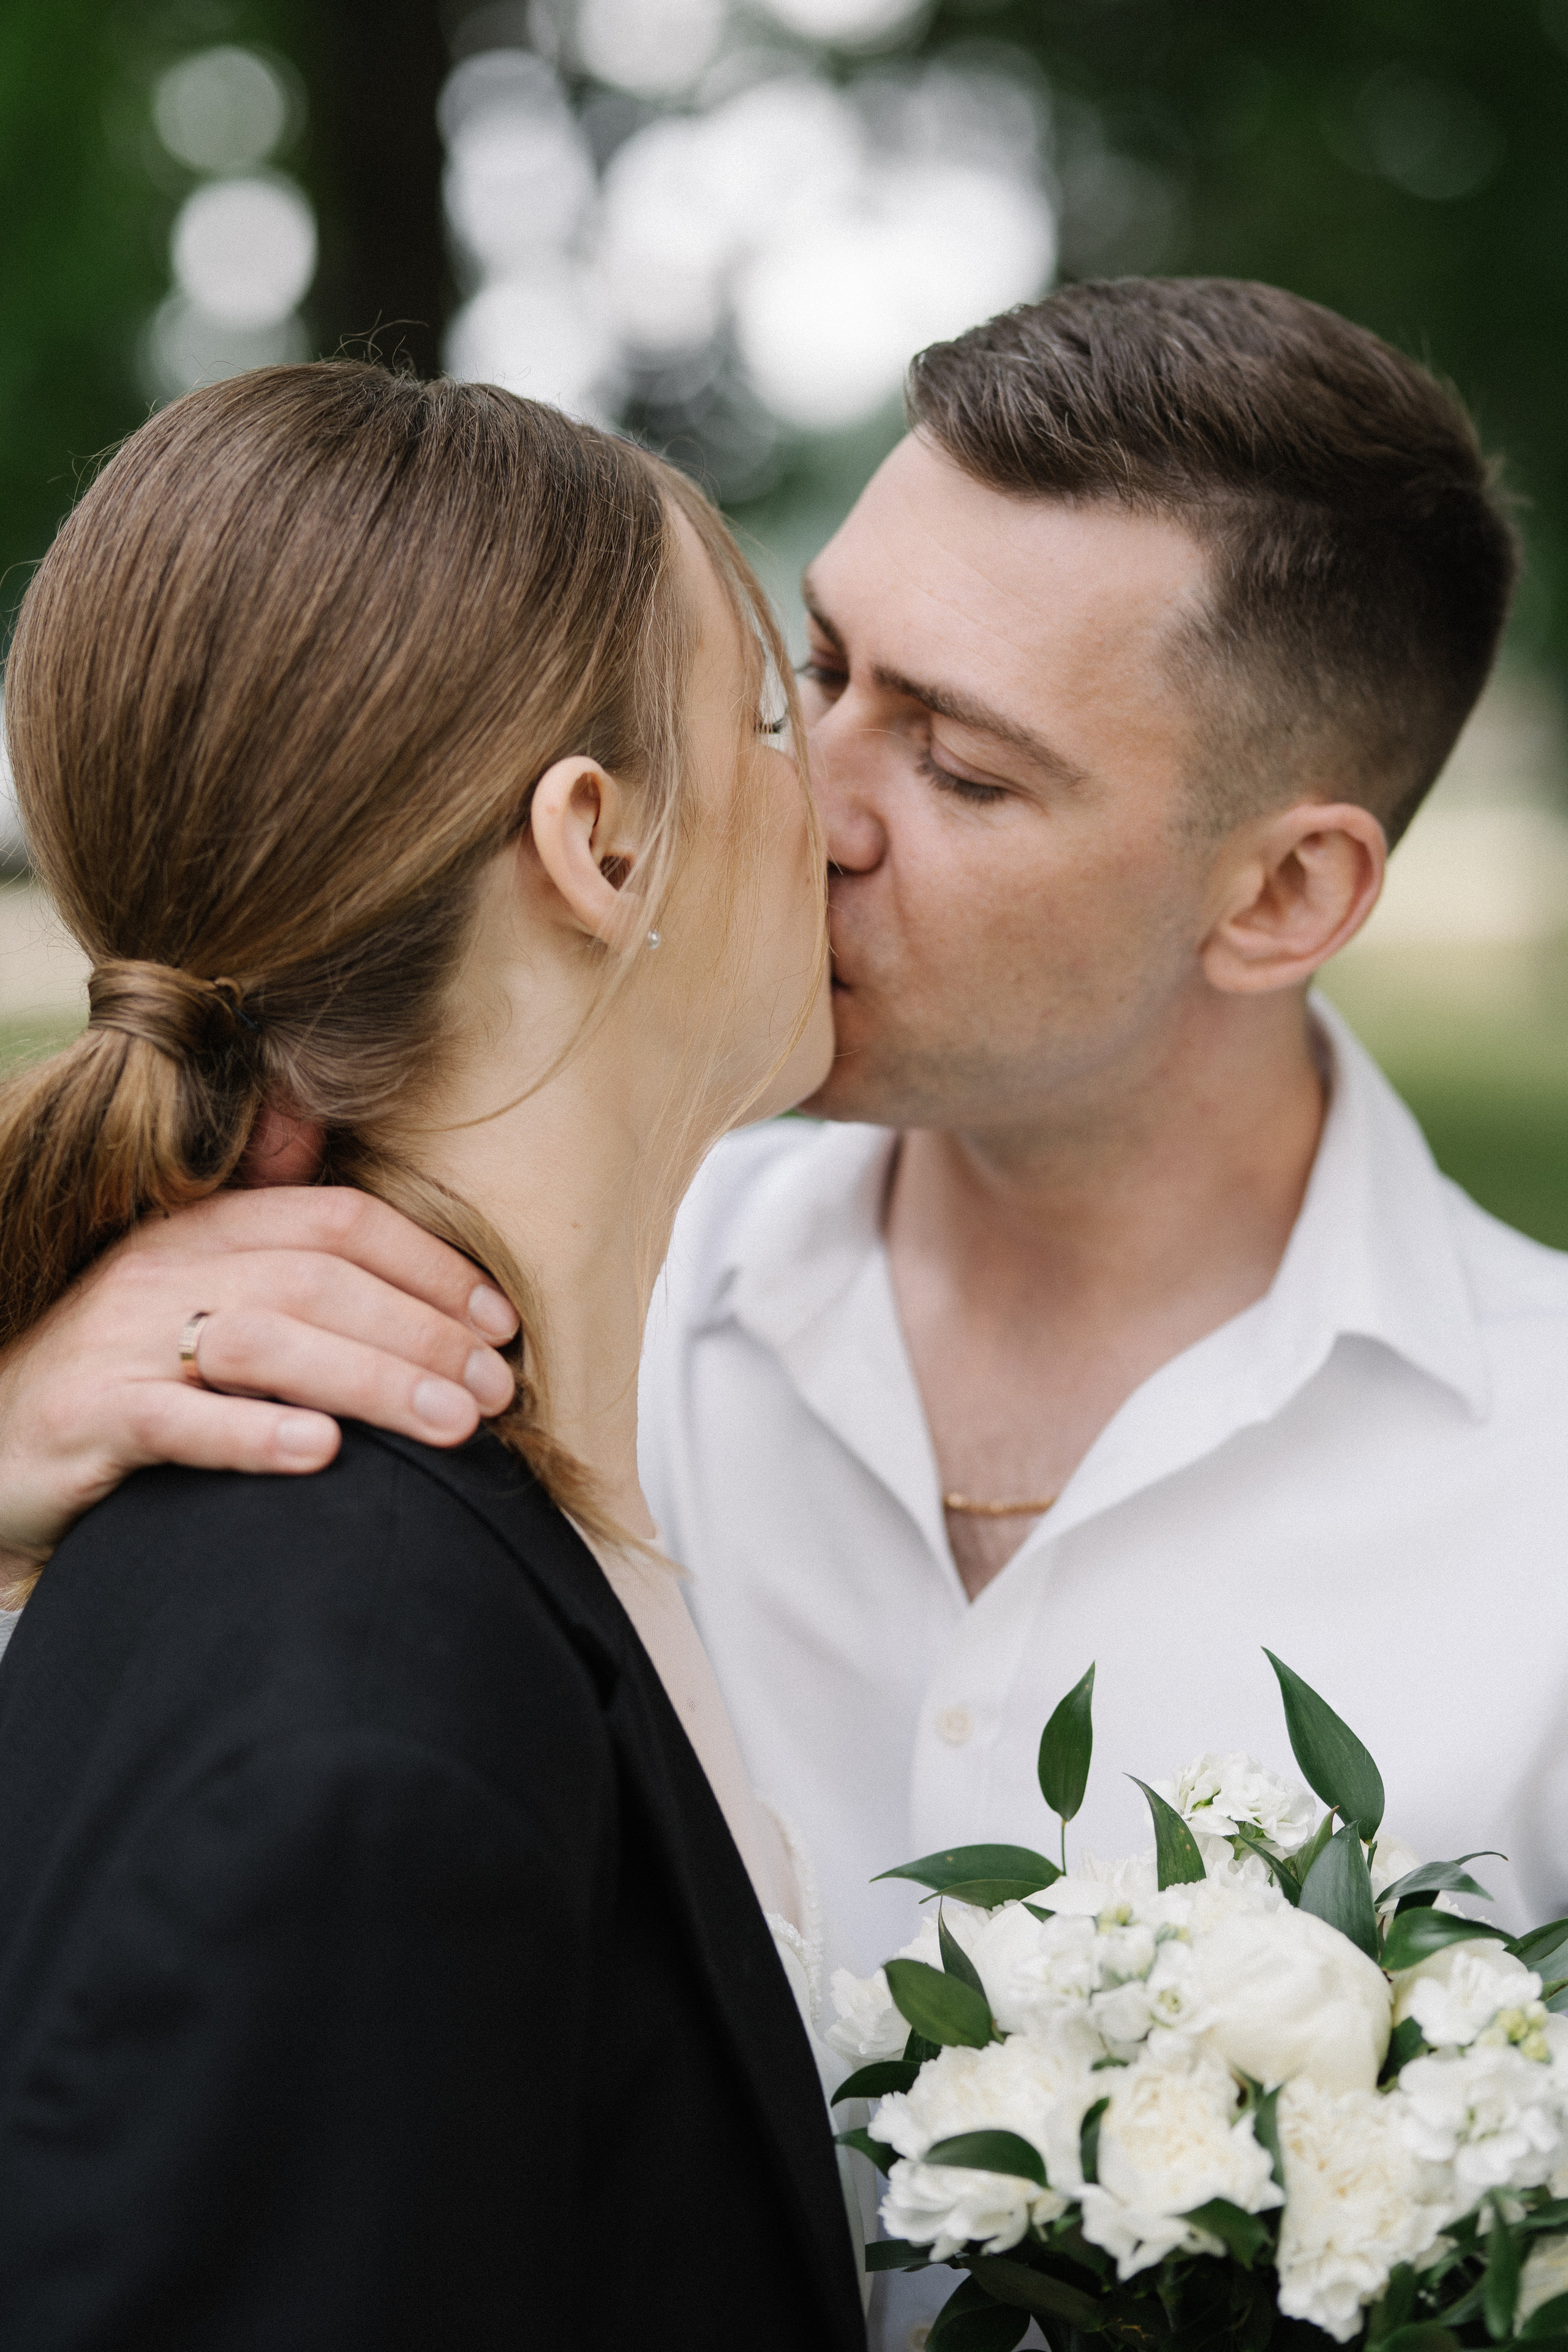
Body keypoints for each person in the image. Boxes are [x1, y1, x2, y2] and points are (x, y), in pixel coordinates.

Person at [2, 279, 1564, 2348]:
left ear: (1284, 894)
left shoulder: (1540, 1493)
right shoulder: (417, 1347)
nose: (817, 805)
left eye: (965, 769)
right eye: (812, 672)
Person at [0, 363, 866, 2347]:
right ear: (599, 846)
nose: (835, 797)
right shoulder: (362, 1734)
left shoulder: (466, 1538)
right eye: (769, 708)